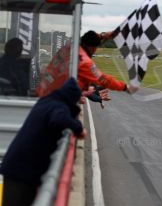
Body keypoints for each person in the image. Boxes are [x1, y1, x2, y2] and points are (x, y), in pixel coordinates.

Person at [0, 77, 86, 206]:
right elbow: (59, 118)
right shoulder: (59, 106)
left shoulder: (47, 101)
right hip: (21, 173)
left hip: (19, 168)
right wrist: (79, 129)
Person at [36, 30, 138, 99]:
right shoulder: (84, 61)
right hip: (55, 99)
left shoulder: (69, 47)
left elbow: (89, 38)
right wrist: (125, 87)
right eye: (96, 48)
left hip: (44, 89)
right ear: (92, 47)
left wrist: (102, 36)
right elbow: (103, 79)